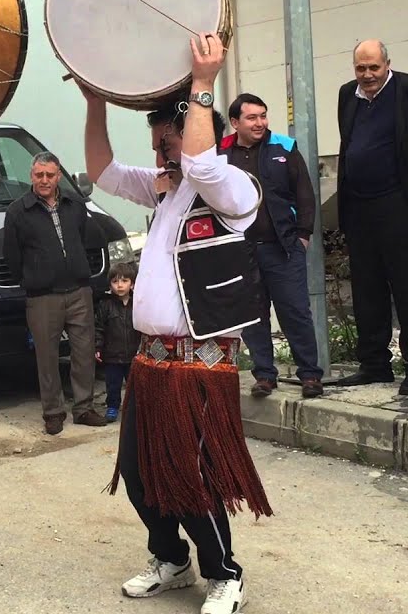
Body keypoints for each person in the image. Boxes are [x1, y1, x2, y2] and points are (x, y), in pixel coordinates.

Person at [85, 33, 273, 614]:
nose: (163, 155)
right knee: (140, 471)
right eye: (160, 145)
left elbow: (198, 159)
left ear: (196, 131)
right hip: (150, 359)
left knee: (192, 474)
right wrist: (95, 103)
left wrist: (201, 84)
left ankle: (225, 574)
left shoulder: (230, 186)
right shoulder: (166, 190)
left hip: (198, 361)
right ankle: (171, 559)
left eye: (167, 141)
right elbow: (102, 170)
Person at [333, 39, 408, 395]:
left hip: (400, 206)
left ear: (387, 64)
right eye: (360, 68)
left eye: (374, 68)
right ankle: (374, 364)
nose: (367, 75)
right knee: (367, 289)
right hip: (359, 208)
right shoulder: (346, 95)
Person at [222, 93, 323, 398]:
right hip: (241, 250)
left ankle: (310, 375)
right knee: (253, 315)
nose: (260, 123)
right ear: (235, 122)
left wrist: (303, 235)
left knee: (295, 311)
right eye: (252, 118)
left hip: (283, 247)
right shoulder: (220, 152)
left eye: (263, 116)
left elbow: (305, 193)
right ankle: (264, 374)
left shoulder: (284, 147)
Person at [3, 152, 106, 434]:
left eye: (50, 175)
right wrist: (30, 278)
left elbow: (84, 238)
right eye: (39, 175)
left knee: (84, 351)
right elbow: (11, 255)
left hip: (78, 290)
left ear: (59, 175)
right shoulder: (18, 211)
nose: (45, 180)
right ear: (31, 176)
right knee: (46, 356)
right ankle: (53, 412)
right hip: (42, 296)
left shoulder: (74, 205)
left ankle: (84, 408)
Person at [95, 262, 138, 422]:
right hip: (112, 355)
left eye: (124, 281)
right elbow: (99, 328)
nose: (120, 285)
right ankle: (112, 406)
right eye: (115, 281)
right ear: (110, 284)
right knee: (113, 384)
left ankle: (134, 409)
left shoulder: (138, 304)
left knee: (134, 385)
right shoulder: (106, 305)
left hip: (134, 354)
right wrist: (98, 347)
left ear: (132, 283)